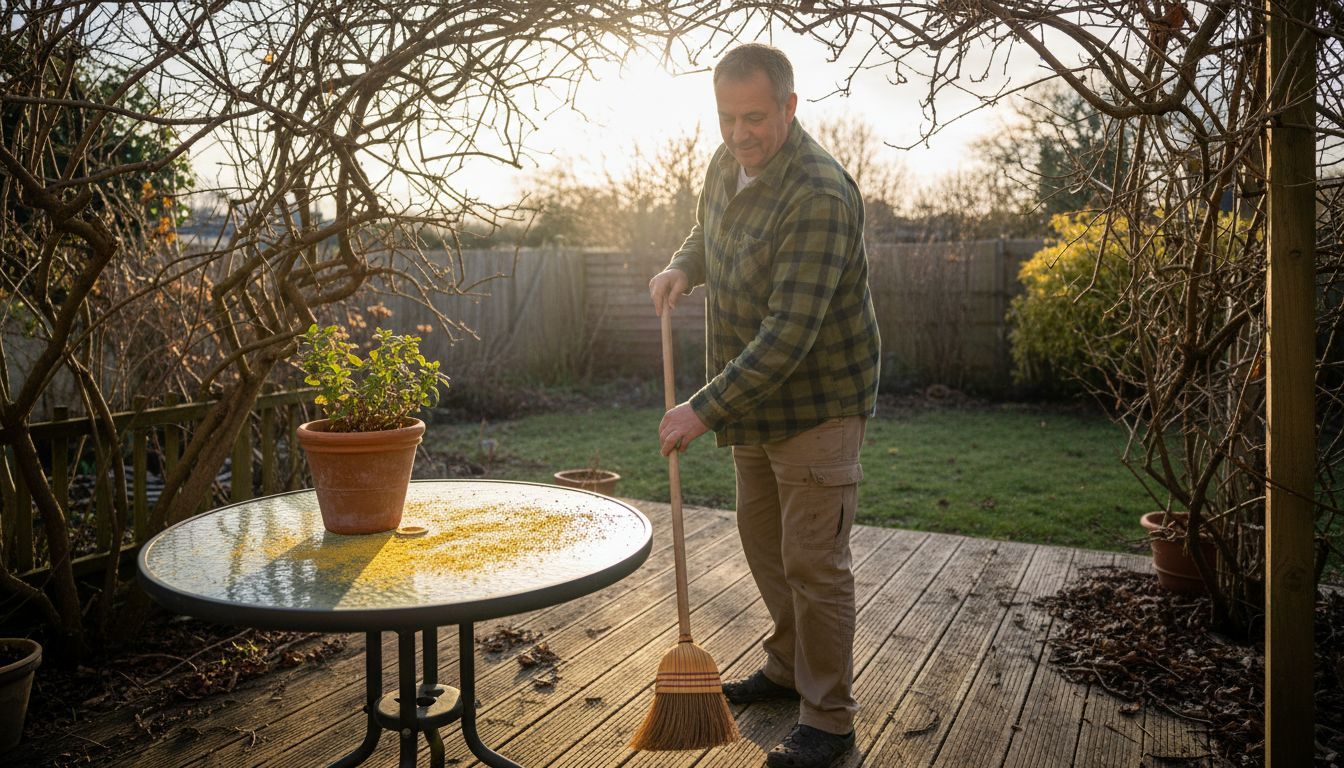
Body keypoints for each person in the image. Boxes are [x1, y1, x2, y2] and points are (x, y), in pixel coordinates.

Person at [648, 43, 881, 768]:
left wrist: (701, 408)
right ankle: (787, 671)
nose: (742, 132)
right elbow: (711, 232)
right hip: (751, 405)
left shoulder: (816, 194)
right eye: (728, 117)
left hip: (816, 403)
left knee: (814, 563)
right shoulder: (726, 162)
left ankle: (830, 718)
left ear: (789, 105)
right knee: (767, 546)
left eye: (756, 117)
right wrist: (684, 263)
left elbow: (789, 337)